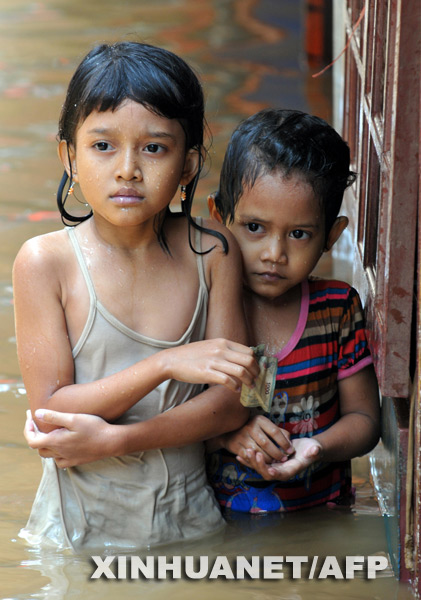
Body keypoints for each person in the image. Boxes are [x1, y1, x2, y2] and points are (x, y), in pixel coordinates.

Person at [13, 41, 259, 552]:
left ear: (189, 165)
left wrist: (121, 439)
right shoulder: (46, 264)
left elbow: (234, 402)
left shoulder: (212, 252)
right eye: (103, 146)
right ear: (69, 157)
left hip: (193, 528)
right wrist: (165, 365)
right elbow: (52, 412)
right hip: (77, 539)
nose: (127, 168)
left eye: (154, 147)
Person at [205, 108, 380, 513]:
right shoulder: (203, 303)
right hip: (222, 528)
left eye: (299, 234)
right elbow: (171, 417)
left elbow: (365, 422)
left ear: (331, 236)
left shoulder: (337, 309)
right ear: (219, 219)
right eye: (254, 228)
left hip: (321, 516)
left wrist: (316, 447)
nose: (274, 254)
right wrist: (228, 435)